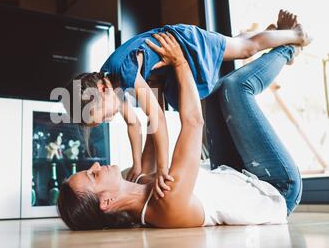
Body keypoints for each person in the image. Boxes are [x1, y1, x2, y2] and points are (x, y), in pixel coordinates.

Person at [57, 17, 307, 230]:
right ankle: (290, 43)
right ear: (107, 202)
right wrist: (178, 63)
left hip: (233, 172)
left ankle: (266, 37)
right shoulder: (165, 198)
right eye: (92, 175)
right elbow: (187, 121)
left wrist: (139, 163)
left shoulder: (134, 180)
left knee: (226, 72)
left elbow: (145, 122)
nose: (97, 165)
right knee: (231, 86)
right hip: (275, 188)